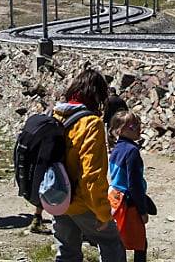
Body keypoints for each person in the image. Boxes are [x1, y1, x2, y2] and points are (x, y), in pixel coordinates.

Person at [52, 69, 126, 262]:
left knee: (67, 253)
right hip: (81, 202)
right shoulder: (91, 124)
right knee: (111, 242)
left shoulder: (56, 115)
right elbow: (91, 175)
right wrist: (103, 213)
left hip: (57, 199)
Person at [107, 111, 150, 262]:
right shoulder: (132, 151)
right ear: (119, 130)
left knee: (120, 240)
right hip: (129, 202)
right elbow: (134, 184)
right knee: (140, 244)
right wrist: (143, 210)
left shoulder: (116, 149)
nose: (138, 128)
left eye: (138, 124)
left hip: (115, 198)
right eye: (132, 126)